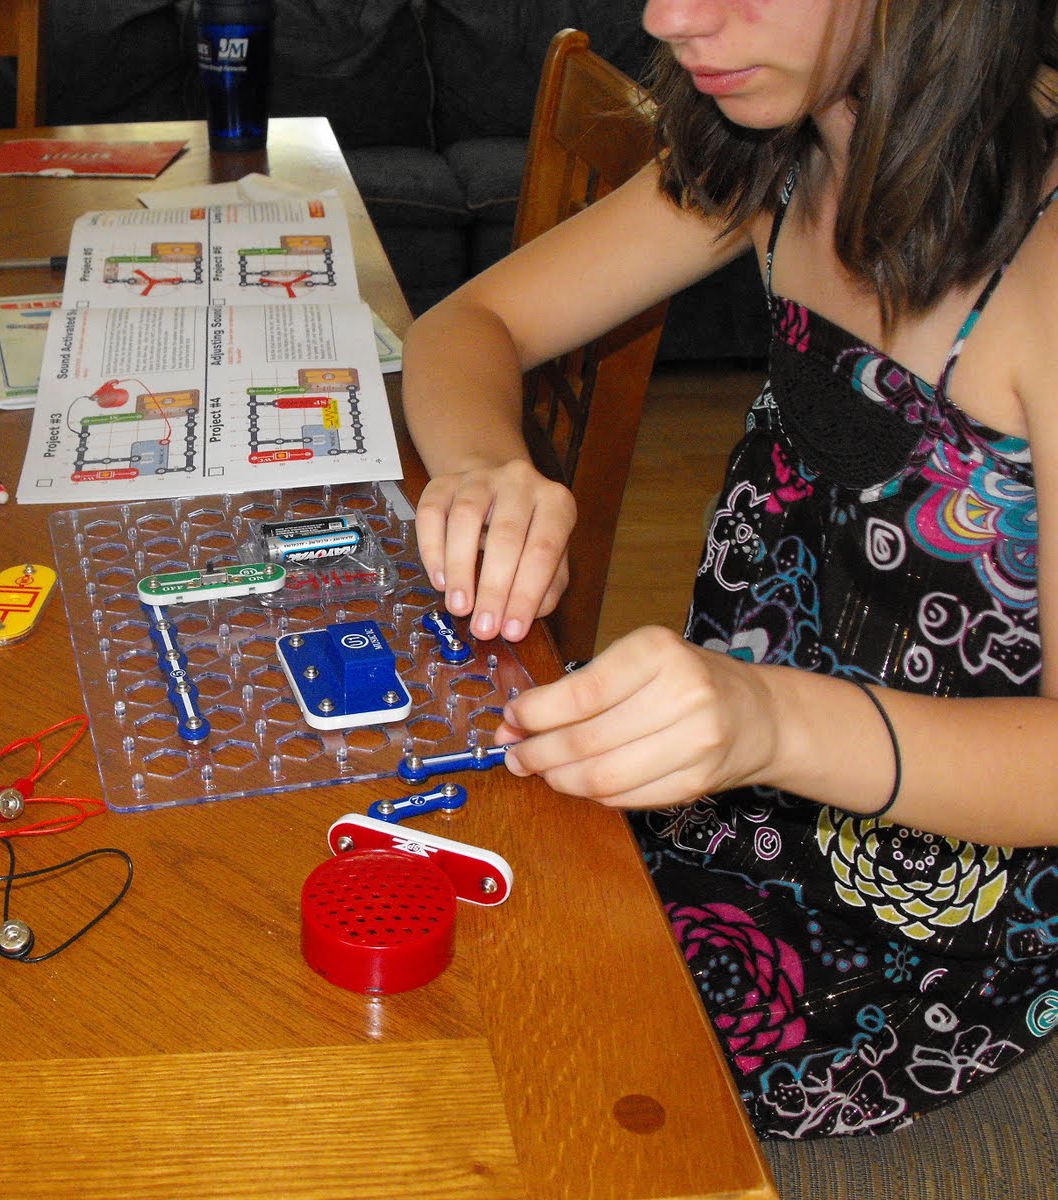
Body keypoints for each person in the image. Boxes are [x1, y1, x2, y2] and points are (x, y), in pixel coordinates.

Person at [402, 0, 1058, 1138]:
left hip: (953, 908)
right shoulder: (779, 152)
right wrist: (482, 467)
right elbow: (468, 324)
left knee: (523, 1093)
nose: (667, 16)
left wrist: (767, 720)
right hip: (729, 801)